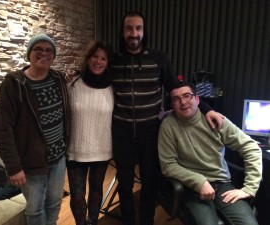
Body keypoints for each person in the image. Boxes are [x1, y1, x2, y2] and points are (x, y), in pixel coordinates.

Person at [110, 11, 224, 225]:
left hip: (151, 133)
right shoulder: (113, 61)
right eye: (129, 28)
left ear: (144, 32)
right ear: (122, 32)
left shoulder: (158, 58)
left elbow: (177, 88)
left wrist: (206, 108)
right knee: (124, 185)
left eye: (138, 28)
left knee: (150, 183)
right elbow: (95, 77)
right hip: (121, 134)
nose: (133, 33)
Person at [0, 33, 70, 225]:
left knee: (54, 203)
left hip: (58, 158)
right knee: (35, 210)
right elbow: (2, 131)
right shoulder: (13, 85)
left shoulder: (58, 79)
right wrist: (14, 167)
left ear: (53, 56)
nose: (44, 53)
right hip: (30, 164)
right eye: (38, 49)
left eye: (49, 50)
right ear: (29, 54)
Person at [158, 82, 262, 225]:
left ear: (197, 99)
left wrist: (249, 188)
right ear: (172, 104)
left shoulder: (215, 120)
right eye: (176, 99)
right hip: (191, 188)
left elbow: (251, 147)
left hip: (222, 185)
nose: (182, 102)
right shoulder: (168, 126)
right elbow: (168, 165)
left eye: (187, 96)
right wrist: (199, 182)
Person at [66, 40, 114, 225]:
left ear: (108, 62)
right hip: (76, 151)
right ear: (88, 58)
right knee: (77, 196)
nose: (98, 61)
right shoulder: (72, 83)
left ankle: (92, 222)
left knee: (96, 191)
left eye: (103, 58)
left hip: (102, 150)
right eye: (95, 56)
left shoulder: (112, 87)